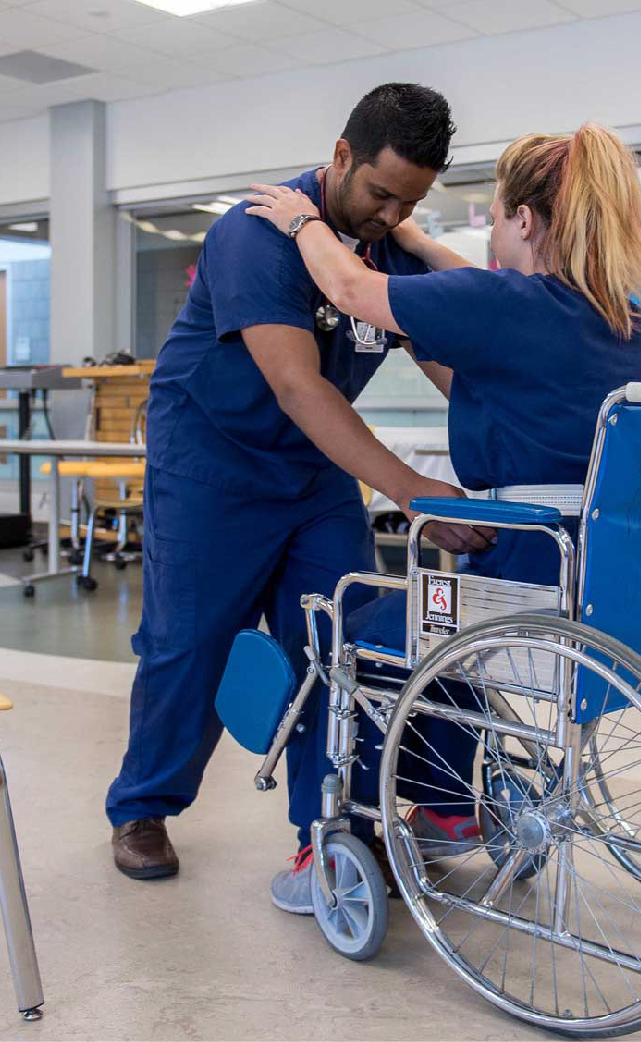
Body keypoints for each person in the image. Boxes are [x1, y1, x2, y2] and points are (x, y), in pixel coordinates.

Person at [245, 121, 641, 913]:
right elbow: (479, 287)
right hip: (604, 583)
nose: (491, 232)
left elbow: (351, 291)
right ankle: (443, 810)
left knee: (356, 629)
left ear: (525, 222)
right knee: (428, 625)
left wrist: (302, 220)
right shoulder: (621, 318)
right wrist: (407, 232)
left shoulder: (504, 303)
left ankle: (352, 835)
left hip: (523, 579)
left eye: (499, 215)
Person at [104, 84, 487, 883]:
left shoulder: (387, 242)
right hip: (212, 460)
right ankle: (143, 805)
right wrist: (411, 489)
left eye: (406, 204)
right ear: (340, 156)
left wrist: (514, 432)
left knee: (338, 640)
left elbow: (445, 358)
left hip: (313, 469)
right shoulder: (257, 233)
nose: (388, 215)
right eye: (380, 193)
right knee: (189, 642)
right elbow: (299, 386)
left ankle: (328, 824)